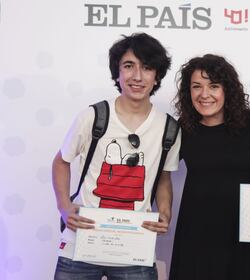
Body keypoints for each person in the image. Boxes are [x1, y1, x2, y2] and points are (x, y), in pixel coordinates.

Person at [52, 33, 181, 280]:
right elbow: (61, 162)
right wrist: (64, 208)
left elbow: (163, 177)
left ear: (157, 77)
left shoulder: (169, 128)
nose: (137, 76)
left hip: (135, 246)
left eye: (147, 68)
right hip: (80, 244)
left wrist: (164, 212)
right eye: (129, 66)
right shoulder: (92, 116)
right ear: (117, 73)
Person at [169, 54, 250, 280]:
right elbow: (160, 172)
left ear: (227, 90)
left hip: (243, 232)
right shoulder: (182, 129)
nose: (204, 94)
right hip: (196, 233)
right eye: (196, 86)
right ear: (188, 92)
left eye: (214, 86)